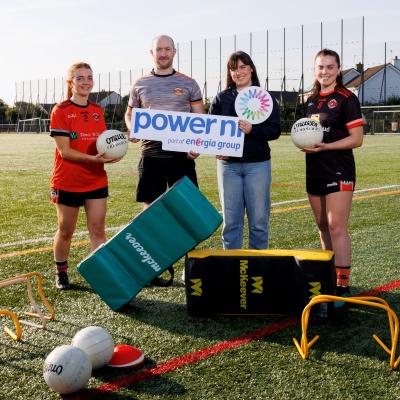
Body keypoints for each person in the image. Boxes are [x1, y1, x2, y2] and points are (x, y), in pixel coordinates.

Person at [124, 34, 205, 285]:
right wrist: (132, 127)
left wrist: (197, 145)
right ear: (152, 53)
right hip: (151, 156)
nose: (163, 53)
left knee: (187, 212)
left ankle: (191, 268)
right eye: (158, 49)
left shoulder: (189, 83)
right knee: (150, 214)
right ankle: (152, 267)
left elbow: (200, 119)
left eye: (167, 49)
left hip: (181, 156)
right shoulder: (140, 83)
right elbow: (130, 114)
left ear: (174, 52)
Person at [50, 62, 118, 290]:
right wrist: (96, 160)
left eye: (89, 77)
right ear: (71, 82)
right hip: (68, 180)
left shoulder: (97, 111)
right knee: (66, 230)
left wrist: (111, 156)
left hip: (96, 180)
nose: (86, 82)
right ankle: (61, 271)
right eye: (80, 78)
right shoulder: (61, 110)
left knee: (98, 230)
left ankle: (99, 275)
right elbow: (65, 152)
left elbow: (103, 144)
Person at [303, 49, 364, 305]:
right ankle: (328, 276)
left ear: (338, 69)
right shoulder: (310, 100)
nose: (325, 72)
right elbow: (306, 133)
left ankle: (342, 285)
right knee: (322, 227)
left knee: (337, 227)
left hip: (339, 169)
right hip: (314, 169)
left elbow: (357, 139)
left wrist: (327, 147)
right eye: (320, 67)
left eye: (330, 67)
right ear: (315, 69)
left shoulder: (347, 98)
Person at [209, 51, 281, 250]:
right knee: (231, 222)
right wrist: (216, 147)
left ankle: (258, 266)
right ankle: (231, 267)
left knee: (258, 221)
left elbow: (275, 130)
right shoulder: (221, 98)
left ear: (251, 68)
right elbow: (211, 130)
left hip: (257, 165)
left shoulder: (264, 97)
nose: (238, 72)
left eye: (242, 67)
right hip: (228, 166)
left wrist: (253, 130)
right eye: (233, 68)